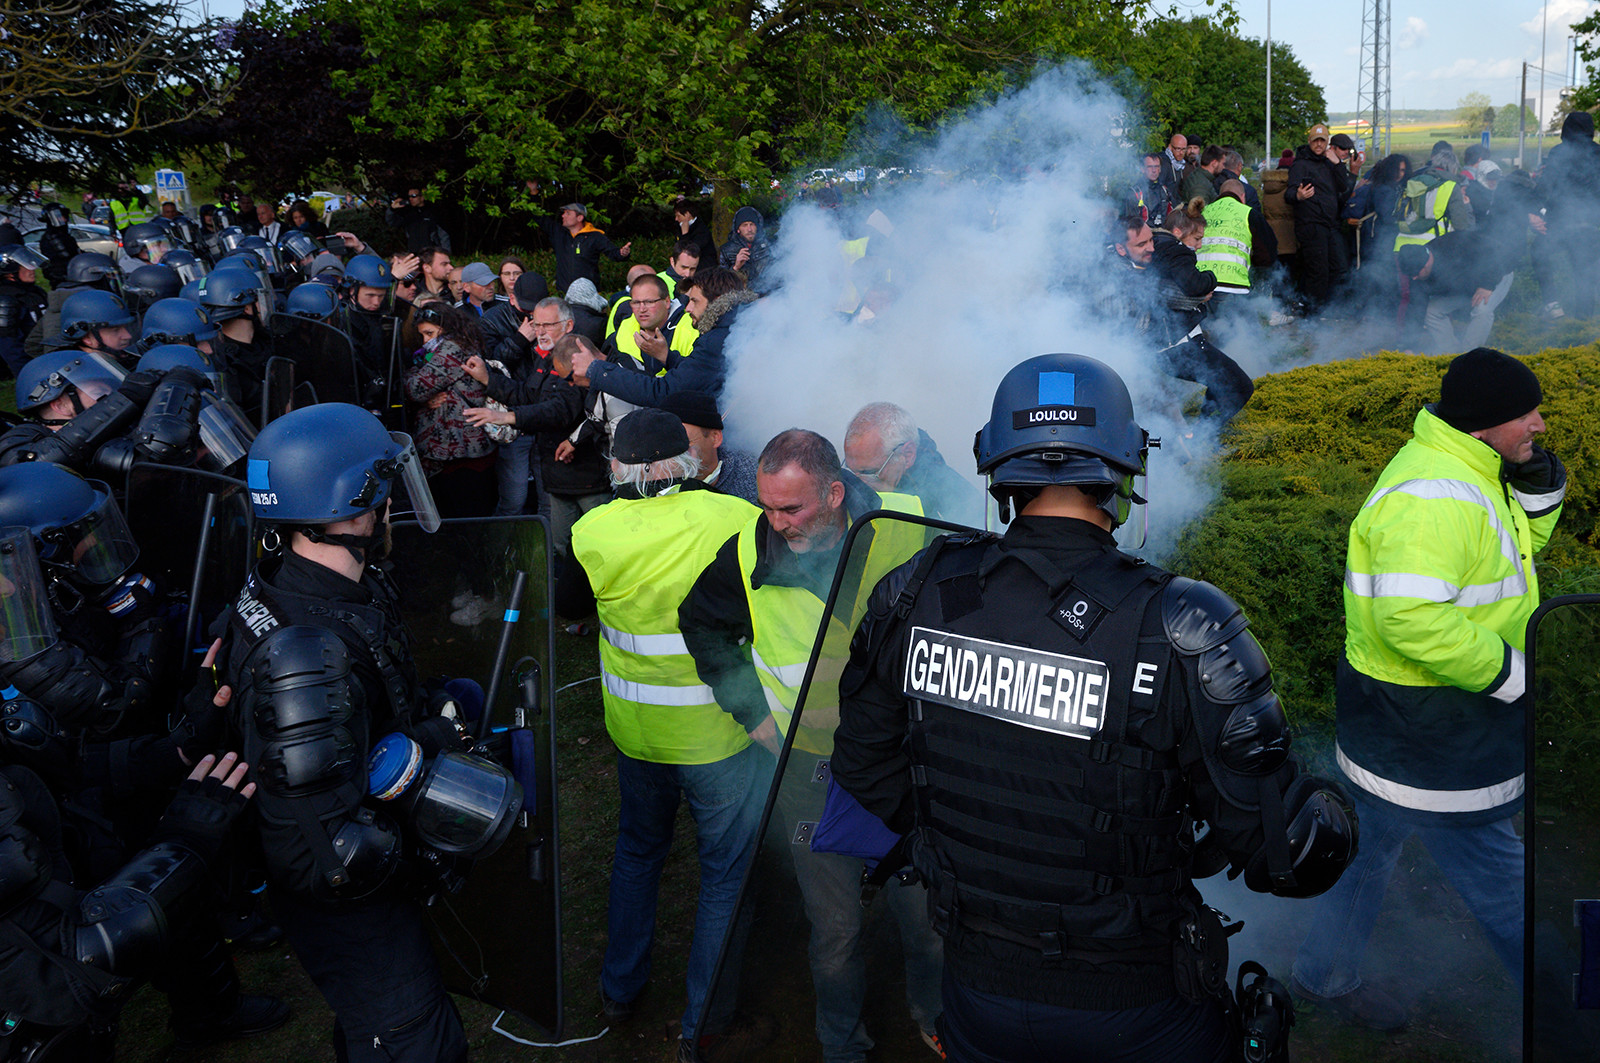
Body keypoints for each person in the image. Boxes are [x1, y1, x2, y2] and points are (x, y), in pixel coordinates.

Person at [831, 353, 1357, 1063]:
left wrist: (966, 846)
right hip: (1136, 1010)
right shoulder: (1182, 621)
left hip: (976, 991)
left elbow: (864, 770)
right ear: (1126, 472)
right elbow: (1287, 852)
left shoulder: (914, 590)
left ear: (998, 471)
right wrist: (1337, 802)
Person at [217, 403, 520, 1063]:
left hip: (360, 893)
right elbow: (328, 855)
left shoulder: (317, 585)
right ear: (352, 510)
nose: (390, 507)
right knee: (412, 1038)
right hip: (357, 912)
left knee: (372, 1029)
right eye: (382, 492)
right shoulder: (303, 648)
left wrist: (428, 718)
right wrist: (424, 834)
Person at [1292, 348, 1560, 1030]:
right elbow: (1409, 617)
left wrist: (1535, 479)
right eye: (1527, 413)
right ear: (1483, 425)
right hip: (1430, 732)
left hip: (1408, 723)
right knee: (1506, 887)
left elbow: (1515, 546)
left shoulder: (1469, 468)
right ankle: (1567, 1021)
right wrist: (1513, 676)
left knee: (1366, 851)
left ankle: (1324, 975)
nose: (1541, 422)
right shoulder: (1433, 498)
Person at [679, 429, 943, 1063]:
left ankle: (934, 1016)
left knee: (927, 920)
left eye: (790, 509)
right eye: (768, 506)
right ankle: (842, 1046)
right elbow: (701, 623)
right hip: (809, 771)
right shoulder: (746, 551)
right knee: (835, 931)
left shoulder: (910, 524)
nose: (776, 523)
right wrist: (752, 716)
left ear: (832, 492)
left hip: (906, 765)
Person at [558, 408, 765, 1063]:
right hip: (720, 734)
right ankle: (703, 1021)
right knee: (724, 876)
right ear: (686, 459)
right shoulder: (734, 517)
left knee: (639, 854)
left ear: (617, 465)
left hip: (637, 731)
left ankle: (620, 987)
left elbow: (568, 607)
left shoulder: (592, 529)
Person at [575, 267, 758, 408]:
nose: (688, 309)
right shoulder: (735, 327)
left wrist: (596, 369)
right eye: (636, 302)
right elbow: (701, 374)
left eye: (694, 301)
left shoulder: (716, 340)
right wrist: (667, 357)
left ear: (717, 300)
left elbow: (662, 392)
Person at [403, 303, 496, 517]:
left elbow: (416, 389)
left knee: (462, 517)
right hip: (464, 449)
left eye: (430, 333)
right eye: (422, 335)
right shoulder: (464, 343)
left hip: (460, 452)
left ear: (445, 328)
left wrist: (410, 374)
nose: (426, 341)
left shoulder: (452, 349)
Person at [842, 402, 983, 526]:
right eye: (850, 470)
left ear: (907, 455)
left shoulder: (953, 499)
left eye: (869, 472)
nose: (857, 483)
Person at [1539, 111, 1600, 318]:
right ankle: (1583, 324)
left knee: (1539, 252)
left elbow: (1546, 187)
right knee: (1583, 274)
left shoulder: (1558, 153)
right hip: (1591, 225)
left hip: (1561, 223)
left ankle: (1553, 304)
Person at [1287, 123, 1354, 310]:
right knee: (1318, 271)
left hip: (1330, 224)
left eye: (1322, 141)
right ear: (1309, 141)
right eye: (1315, 141)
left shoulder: (1330, 164)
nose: (1318, 144)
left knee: (1339, 267)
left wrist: (1338, 164)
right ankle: (1312, 313)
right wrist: (1298, 195)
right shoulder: (1300, 164)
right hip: (1310, 224)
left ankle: (1322, 306)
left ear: (1327, 143)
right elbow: (1289, 194)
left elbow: (1344, 187)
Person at [659, 390, 757, 505]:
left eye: (684, 442)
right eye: (664, 442)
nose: (672, 453)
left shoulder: (753, 479)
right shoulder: (649, 479)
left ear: (715, 437)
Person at [530, 196, 632, 294]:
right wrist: (533, 193)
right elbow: (539, 217)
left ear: (579, 218)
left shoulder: (595, 236)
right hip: (564, 294)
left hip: (588, 294)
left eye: (568, 213)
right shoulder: (559, 234)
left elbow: (614, 253)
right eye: (564, 213)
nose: (563, 215)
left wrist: (622, 253)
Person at [1195, 180, 1277, 297]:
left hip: (1201, 283)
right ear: (1243, 197)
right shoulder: (1250, 214)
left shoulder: (1202, 212)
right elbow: (1267, 254)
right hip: (1234, 285)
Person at [0, 244, 49, 376]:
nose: (32, 269)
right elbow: (9, 346)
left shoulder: (35, 292)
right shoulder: (6, 301)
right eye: (26, 266)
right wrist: (28, 374)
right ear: (10, 272)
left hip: (49, 355)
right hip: (32, 363)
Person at [718, 206, 773, 287]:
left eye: (752, 224)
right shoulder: (726, 250)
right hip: (741, 297)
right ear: (738, 229)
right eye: (744, 225)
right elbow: (722, 284)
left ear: (757, 227)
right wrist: (736, 267)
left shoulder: (769, 245)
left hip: (768, 295)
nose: (749, 229)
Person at [386, 186, 452, 253]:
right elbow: (391, 223)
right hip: (414, 252)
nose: (411, 199)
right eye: (409, 196)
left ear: (422, 198)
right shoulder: (408, 214)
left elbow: (443, 234)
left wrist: (446, 252)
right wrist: (392, 209)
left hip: (431, 252)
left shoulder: (432, 212)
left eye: (414, 196)